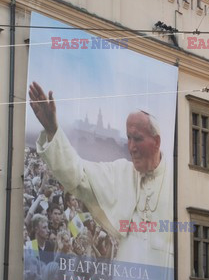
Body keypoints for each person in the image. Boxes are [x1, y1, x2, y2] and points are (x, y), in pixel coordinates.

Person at [28, 82, 173, 269]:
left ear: (156, 141)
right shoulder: (119, 173)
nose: (131, 148)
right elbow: (78, 175)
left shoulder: (176, 183)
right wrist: (52, 131)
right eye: (128, 138)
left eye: (137, 139)